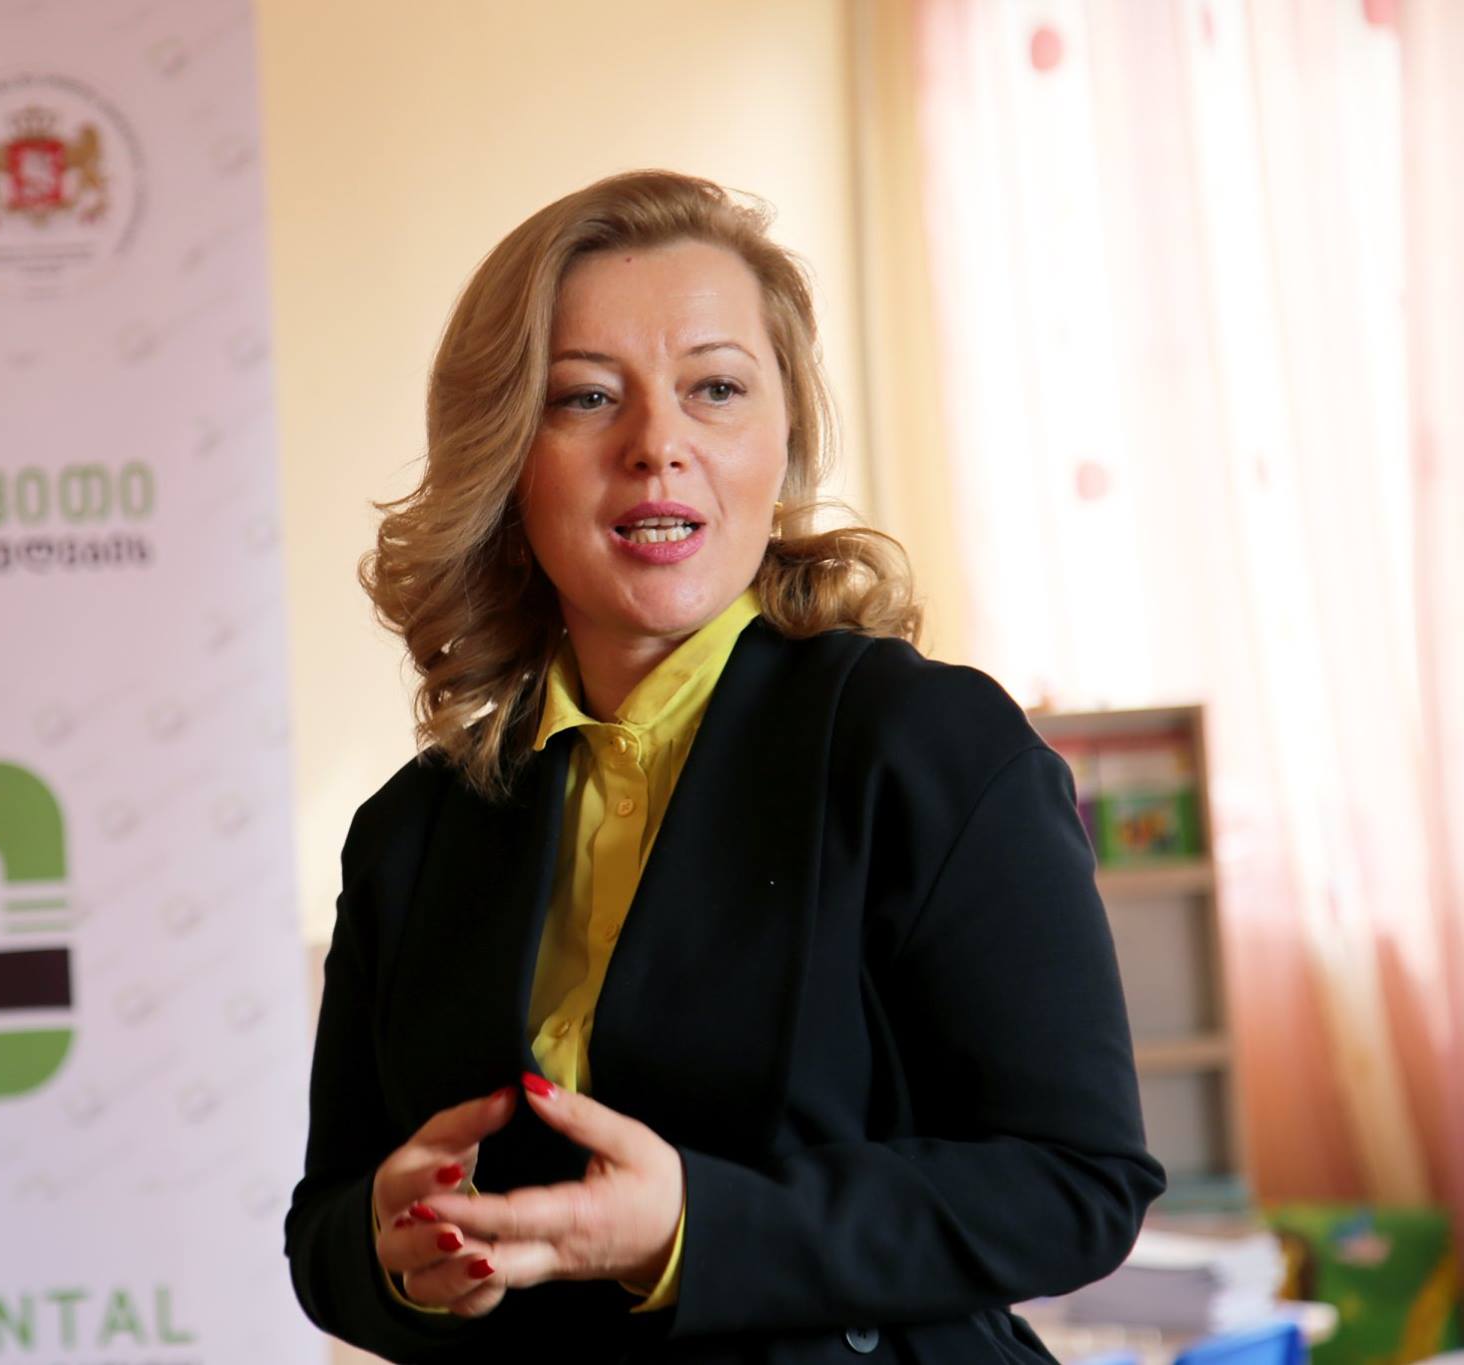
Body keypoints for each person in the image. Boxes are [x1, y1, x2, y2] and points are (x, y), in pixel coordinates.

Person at [283, 169, 1164, 1364]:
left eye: (715, 389)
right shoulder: (411, 829)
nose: (658, 446)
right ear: (505, 456)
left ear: (782, 436)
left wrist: (695, 1230)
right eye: (586, 398)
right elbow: (326, 1228)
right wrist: (396, 1256)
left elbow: (1075, 1183)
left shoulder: (929, 746)